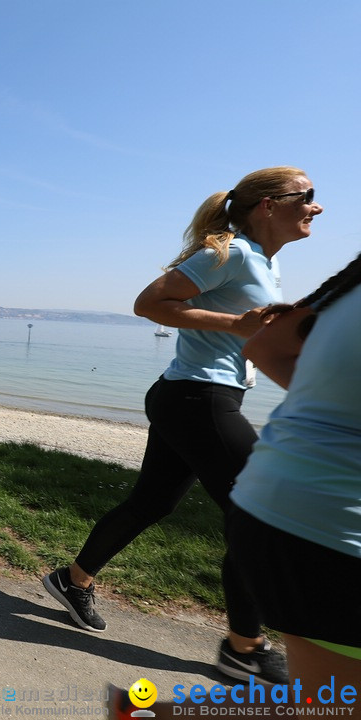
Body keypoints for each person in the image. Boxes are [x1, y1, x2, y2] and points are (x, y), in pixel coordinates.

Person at [41, 167, 322, 685]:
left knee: (151, 503)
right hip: (198, 399)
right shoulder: (233, 252)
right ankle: (245, 647)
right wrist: (235, 325)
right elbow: (149, 303)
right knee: (260, 513)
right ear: (267, 205)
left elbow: (245, 332)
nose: (316, 206)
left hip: (191, 396)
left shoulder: (262, 260)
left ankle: (72, 579)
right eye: (306, 196)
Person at [228, 252, 361, 697]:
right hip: (334, 533)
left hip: (277, 504)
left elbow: (265, 346)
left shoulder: (351, 281)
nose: (317, 207)